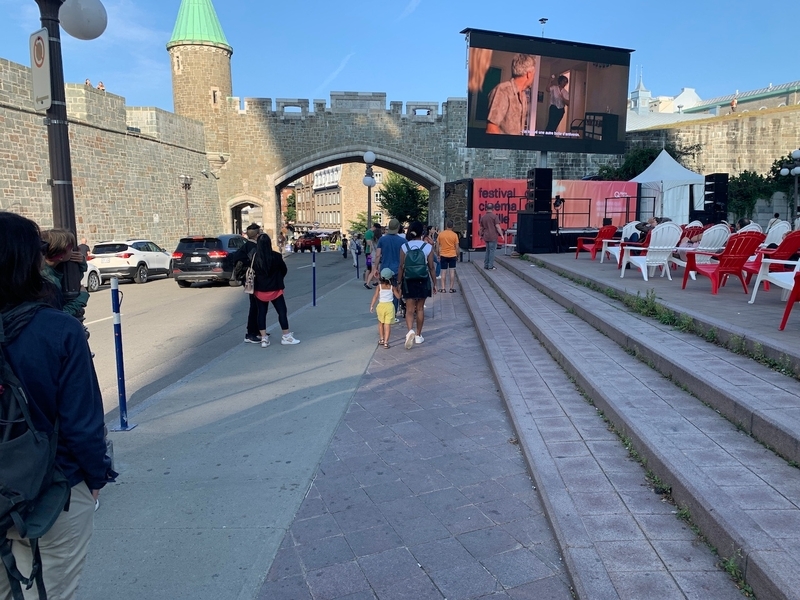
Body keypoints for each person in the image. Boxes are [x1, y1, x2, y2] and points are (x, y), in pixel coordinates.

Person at [0, 212, 116, 600]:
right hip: (53, 488)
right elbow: (82, 423)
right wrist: (96, 477)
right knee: (52, 591)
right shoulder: (57, 329)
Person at [252, 233, 299, 348]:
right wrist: (277, 279)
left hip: (260, 290)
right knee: (282, 312)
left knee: (261, 313)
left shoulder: (254, 257)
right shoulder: (276, 257)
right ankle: (286, 336)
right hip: (275, 289)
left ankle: (264, 339)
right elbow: (284, 270)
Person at [398, 221, 437, 349]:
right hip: (423, 280)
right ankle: (419, 336)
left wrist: (399, 283)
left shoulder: (405, 247)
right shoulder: (427, 247)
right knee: (420, 309)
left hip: (408, 280)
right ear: (422, 232)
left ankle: (410, 331)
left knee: (409, 310)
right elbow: (431, 267)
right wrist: (435, 283)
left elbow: (401, 267)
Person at [40, 228, 90, 319]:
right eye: (71, 248)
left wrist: (81, 263)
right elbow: (57, 315)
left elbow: (71, 280)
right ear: (60, 255)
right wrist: (80, 299)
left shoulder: (52, 270)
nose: (74, 251)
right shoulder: (48, 280)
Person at [485, 53, 536, 135]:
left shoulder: (523, 96)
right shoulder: (502, 91)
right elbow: (492, 129)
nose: (533, 77)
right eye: (534, 74)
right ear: (529, 74)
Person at [231, 223, 263, 344]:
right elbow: (256, 264)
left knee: (257, 306)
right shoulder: (253, 248)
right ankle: (251, 333)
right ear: (257, 235)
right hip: (253, 279)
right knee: (255, 306)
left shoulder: (246, 246)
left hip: (247, 279)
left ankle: (259, 330)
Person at [373, 219, 407, 319]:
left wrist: (375, 268)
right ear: (397, 228)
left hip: (384, 269)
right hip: (397, 269)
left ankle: (384, 312)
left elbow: (378, 255)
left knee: (385, 291)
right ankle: (393, 313)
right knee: (395, 290)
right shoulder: (403, 241)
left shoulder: (382, 240)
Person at [369, 268, 401, 349]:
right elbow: (398, 297)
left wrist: (372, 305)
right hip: (390, 307)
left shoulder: (379, 287)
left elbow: (375, 296)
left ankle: (382, 339)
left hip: (381, 306)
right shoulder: (392, 287)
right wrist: (400, 290)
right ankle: (386, 343)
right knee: (387, 325)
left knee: (380, 323)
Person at [437, 219, 459, 292]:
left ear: (446, 226)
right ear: (452, 226)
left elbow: (437, 246)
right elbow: (457, 247)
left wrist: (438, 254)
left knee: (443, 272)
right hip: (452, 255)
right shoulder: (455, 235)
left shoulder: (441, 234)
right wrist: (457, 255)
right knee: (452, 272)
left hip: (443, 254)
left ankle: (443, 288)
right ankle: (451, 288)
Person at [479, 206, 502, 270]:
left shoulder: (483, 217)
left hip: (486, 236)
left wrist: (480, 235)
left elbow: (481, 228)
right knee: (492, 251)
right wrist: (501, 234)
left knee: (487, 250)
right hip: (493, 236)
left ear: (486, 209)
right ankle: (490, 266)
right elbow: (497, 226)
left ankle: (486, 265)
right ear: (493, 209)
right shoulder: (494, 217)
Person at [363, 222, 381, 289]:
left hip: (370, 253)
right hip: (369, 253)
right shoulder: (368, 233)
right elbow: (369, 243)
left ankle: (374, 282)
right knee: (369, 268)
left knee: (372, 268)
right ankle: (366, 281)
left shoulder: (372, 234)